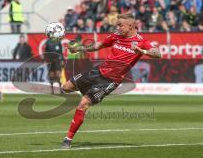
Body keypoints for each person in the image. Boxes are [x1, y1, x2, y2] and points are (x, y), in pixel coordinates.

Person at [61, 13, 161, 148]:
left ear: (130, 25)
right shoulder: (116, 36)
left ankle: (67, 140)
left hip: (109, 81)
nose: (117, 27)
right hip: (97, 71)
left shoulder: (141, 41)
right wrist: (78, 48)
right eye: (117, 25)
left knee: (83, 104)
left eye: (120, 25)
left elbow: (158, 54)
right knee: (66, 88)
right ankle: (88, 92)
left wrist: (142, 51)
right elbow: (97, 46)